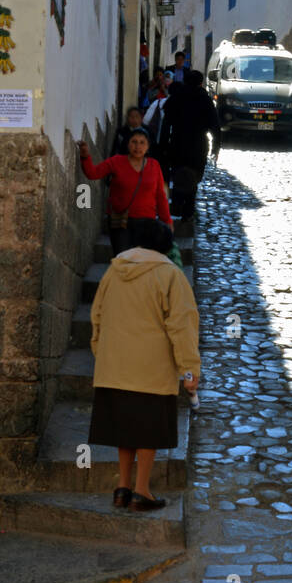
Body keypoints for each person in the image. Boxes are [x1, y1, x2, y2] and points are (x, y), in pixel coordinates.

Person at [88, 217, 200, 512]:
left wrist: (102, 353)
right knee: (147, 429)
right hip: (152, 369)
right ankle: (142, 492)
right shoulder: (171, 275)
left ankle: (122, 487)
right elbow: (182, 326)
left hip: (114, 367)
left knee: (122, 429)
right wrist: (189, 371)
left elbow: (96, 315)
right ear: (164, 245)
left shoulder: (114, 271)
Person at [78, 127, 172, 256]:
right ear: (128, 144)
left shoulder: (154, 165)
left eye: (142, 142)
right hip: (121, 222)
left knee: (142, 262)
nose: (137, 146)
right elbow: (92, 173)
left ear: (148, 147)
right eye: (134, 142)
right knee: (123, 261)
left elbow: (160, 196)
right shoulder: (116, 161)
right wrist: (85, 156)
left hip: (147, 224)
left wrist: (167, 221)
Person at [162, 69, 221, 220]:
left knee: (178, 175)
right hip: (198, 145)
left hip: (177, 143)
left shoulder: (176, 98)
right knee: (193, 178)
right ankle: (188, 209)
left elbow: (166, 123)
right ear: (200, 83)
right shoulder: (205, 99)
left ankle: (176, 205)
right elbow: (215, 125)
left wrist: (163, 144)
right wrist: (215, 147)